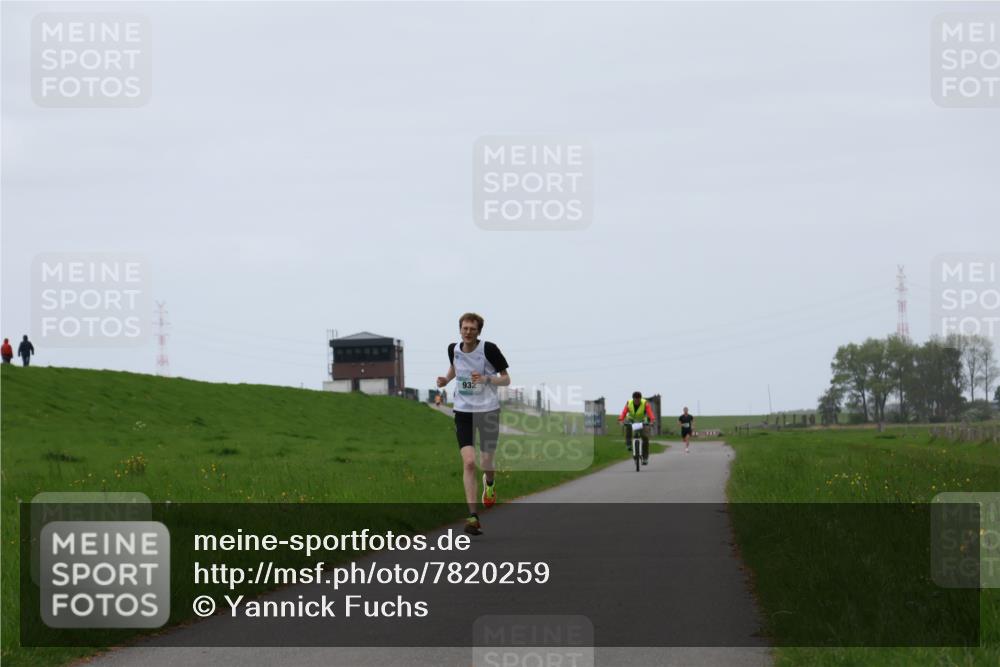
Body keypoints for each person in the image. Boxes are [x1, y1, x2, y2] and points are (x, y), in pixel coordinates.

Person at [436, 312, 510, 535]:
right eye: (464, 328)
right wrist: (445, 380)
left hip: (488, 410)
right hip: (463, 411)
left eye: (472, 329)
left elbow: (506, 379)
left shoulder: (489, 349)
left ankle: (489, 484)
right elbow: (455, 368)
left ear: (479, 331)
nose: (468, 332)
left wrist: (487, 379)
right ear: (460, 329)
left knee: (486, 460)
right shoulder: (453, 349)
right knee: (469, 462)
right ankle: (473, 517)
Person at [618, 391, 655, 465]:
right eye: (635, 400)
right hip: (631, 419)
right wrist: (621, 420)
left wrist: (652, 420)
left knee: (645, 438)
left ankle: (645, 458)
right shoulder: (629, 403)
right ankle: (628, 444)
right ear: (633, 399)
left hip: (642, 420)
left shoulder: (645, 403)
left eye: (638, 400)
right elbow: (624, 412)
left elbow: (650, 412)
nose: (637, 402)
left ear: (640, 399)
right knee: (627, 425)